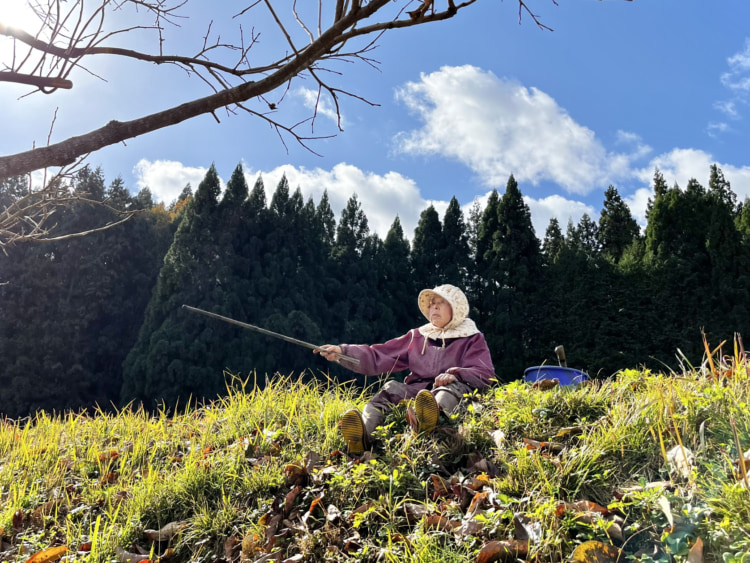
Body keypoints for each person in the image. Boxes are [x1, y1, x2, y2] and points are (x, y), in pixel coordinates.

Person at [316, 284, 496, 455]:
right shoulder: (418, 336)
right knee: (390, 389)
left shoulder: (472, 337)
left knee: (445, 392)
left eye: (440, 303)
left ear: (455, 308)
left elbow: (485, 373)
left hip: (452, 389)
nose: (434, 308)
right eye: (431, 304)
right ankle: (362, 436)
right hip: (418, 392)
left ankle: (430, 425)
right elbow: (380, 354)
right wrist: (342, 352)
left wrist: (454, 374)